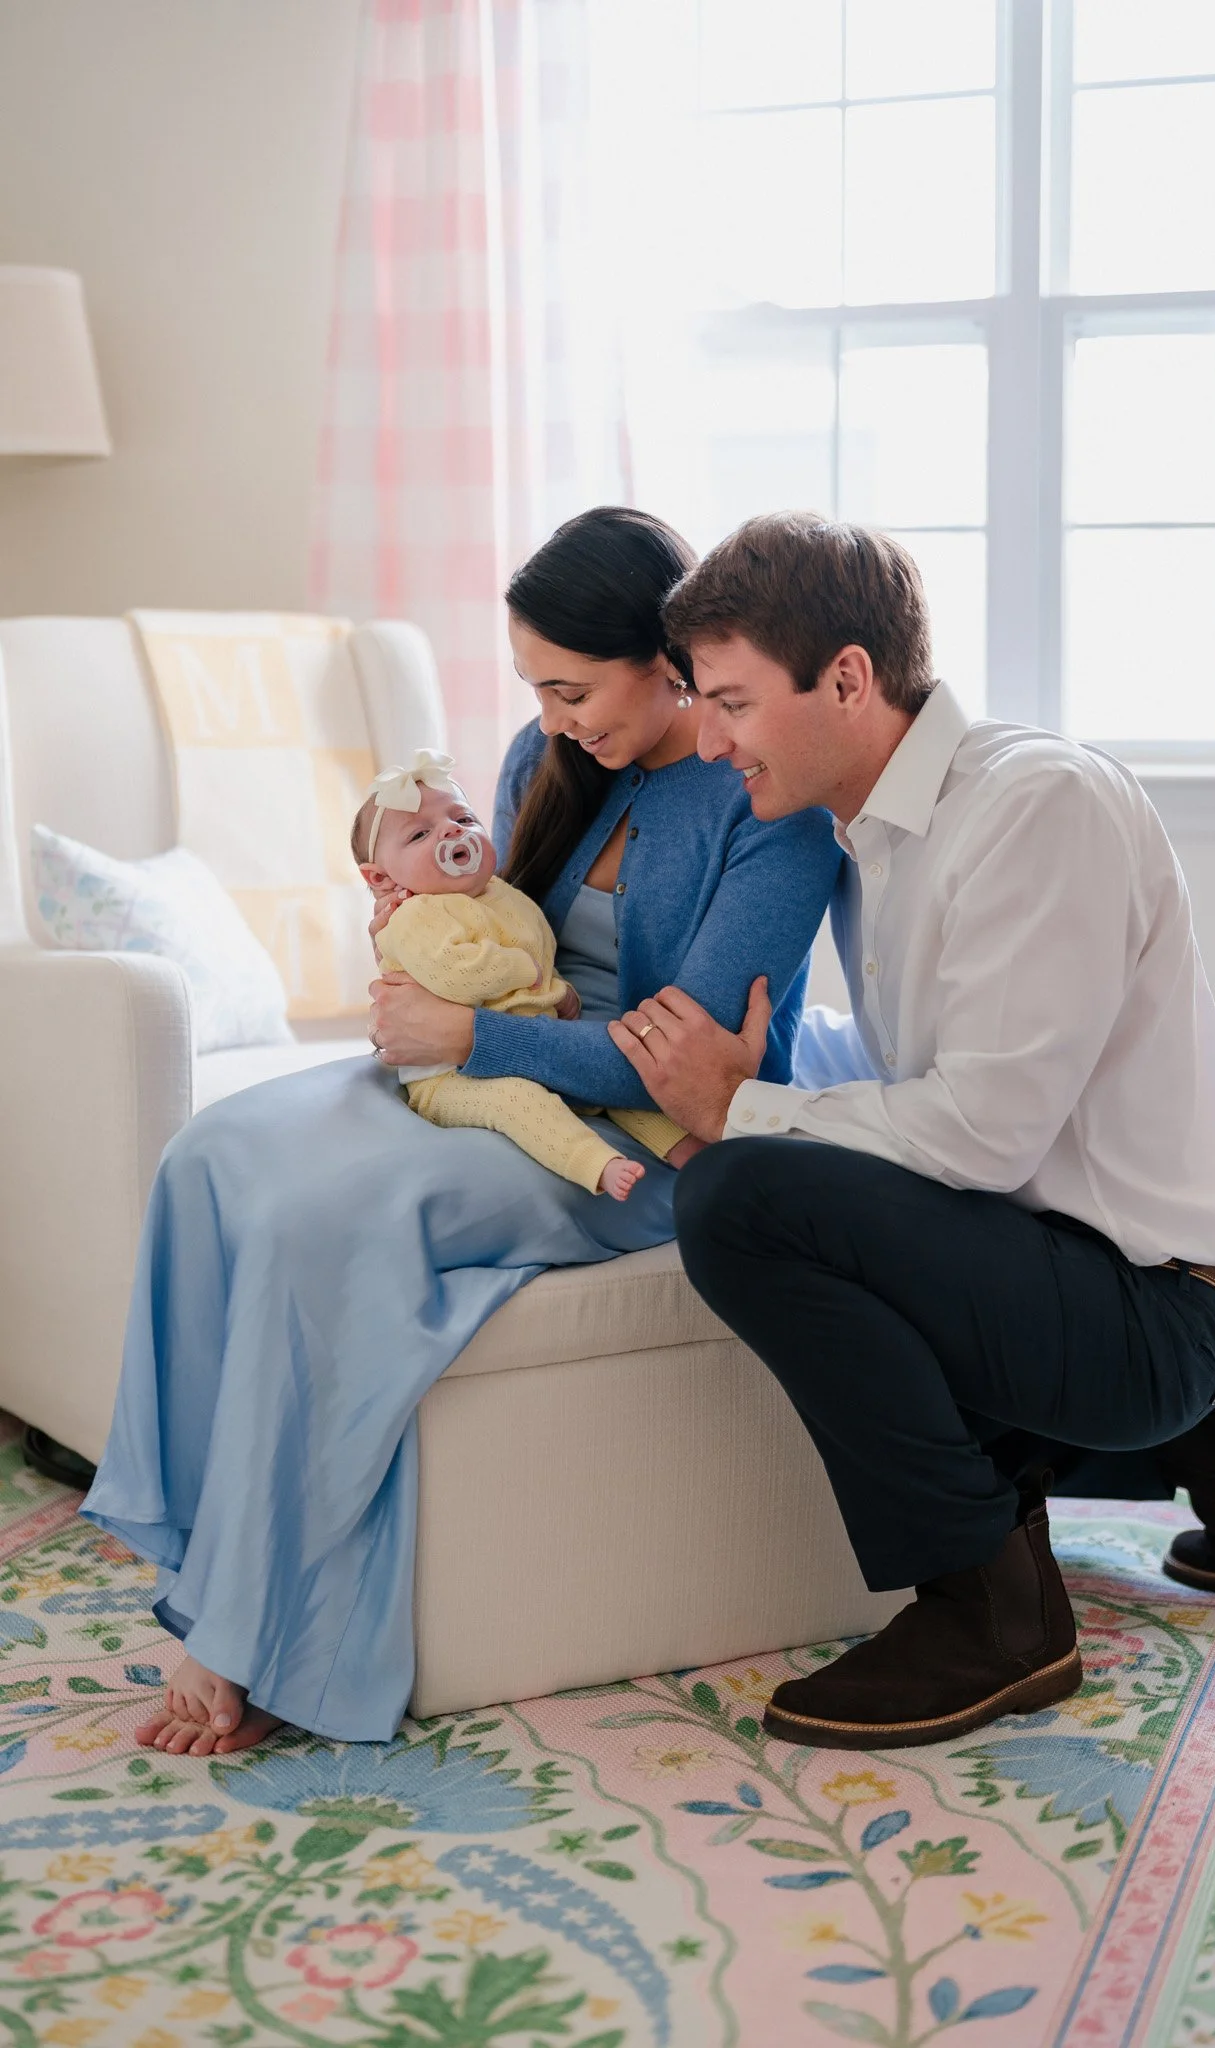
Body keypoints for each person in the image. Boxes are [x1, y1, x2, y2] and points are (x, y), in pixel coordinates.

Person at [80, 506, 842, 1756]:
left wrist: (471, 1039)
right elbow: (476, 941)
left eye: (571, 686)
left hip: (638, 1140)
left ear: (672, 660)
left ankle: (264, 1627)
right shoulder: (549, 764)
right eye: (535, 687)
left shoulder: (768, 808)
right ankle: (203, 1542)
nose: (551, 717)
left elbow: (681, 1056)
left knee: (324, 1218)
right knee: (213, 1155)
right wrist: (414, 975)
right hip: (475, 1081)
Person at [607, 510, 1215, 1753]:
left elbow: (982, 1133)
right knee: (801, 1208)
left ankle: (991, 1607)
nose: (710, 742)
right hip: (1063, 1278)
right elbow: (923, 1089)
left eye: (730, 702)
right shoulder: (865, 828)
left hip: (1148, 1305)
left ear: (847, 677)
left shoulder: (1036, 805)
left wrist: (743, 1111)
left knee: (746, 1202)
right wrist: (747, 1069)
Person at [354, 748, 688, 1199]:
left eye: (464, 819)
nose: (452, 831)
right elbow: (458, 975)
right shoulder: (415, 915)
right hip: (453, 1077)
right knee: (517, 1102)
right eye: (419, 834)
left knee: (614, 1092)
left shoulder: (501, 896)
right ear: (379, 879)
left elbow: (540, 950)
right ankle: (594, 1162)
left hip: (525, 1045)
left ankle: (688, 1147)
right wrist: (521, 969)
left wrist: (560, 991)